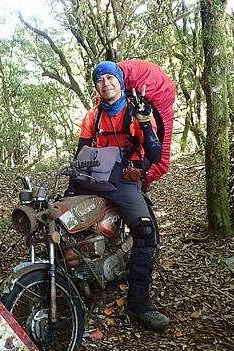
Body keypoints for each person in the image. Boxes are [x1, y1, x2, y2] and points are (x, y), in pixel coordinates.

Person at [67, 61, 171, 331]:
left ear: (121, 81)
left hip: (124, 180)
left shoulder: (136, 111)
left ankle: (140, 303)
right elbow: (82, 153)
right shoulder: (93, 116)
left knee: (145, 232)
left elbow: (155, 155)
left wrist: (146, 123)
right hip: (95, 177)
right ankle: (74, 277)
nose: (106, 83)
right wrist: (71, 185)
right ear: (96, 86)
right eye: (100, 80)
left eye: (111, 78)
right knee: (63, 221)